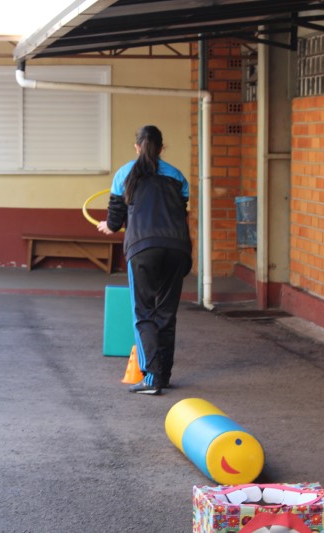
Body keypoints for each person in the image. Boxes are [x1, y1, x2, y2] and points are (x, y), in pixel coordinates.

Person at [97, 125, 192, 395]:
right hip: (177, 248)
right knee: (166, 314)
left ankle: (151, 378)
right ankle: (164, 375)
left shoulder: (124, 173)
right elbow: (180, 210)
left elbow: (115, 219)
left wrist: (108, 226)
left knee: (144, 313)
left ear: (137, 147)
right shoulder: (177, 176)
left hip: (143, 248)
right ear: (161, 148)